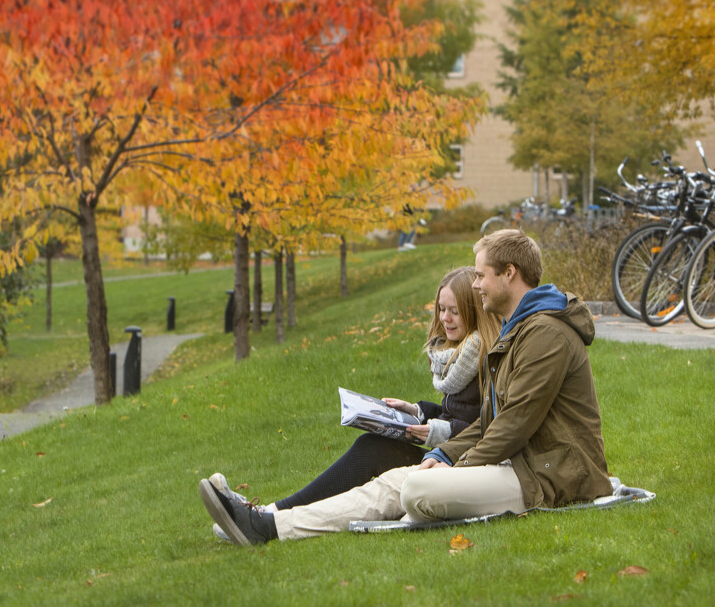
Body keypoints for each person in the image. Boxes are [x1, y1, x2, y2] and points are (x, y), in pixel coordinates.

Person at [200, 229, 612, 546]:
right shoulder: (518, 330)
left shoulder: (545, 334)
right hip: (521, 466)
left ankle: (266, 522)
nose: (477, 285)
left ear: (510, 274)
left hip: (552, 478)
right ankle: (269, 525)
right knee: (398, 479)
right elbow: (491, 421)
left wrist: (454, 466)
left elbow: (516, 423)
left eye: (483, 275)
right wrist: (442, 452)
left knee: (415, 487)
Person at [209, 266, 499, 528]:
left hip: (461, 465)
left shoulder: (484, 358)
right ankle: (268, 513)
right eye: (440, 309)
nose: (444, 319)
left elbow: (484, 425)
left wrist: (436, 431)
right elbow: (459, 411)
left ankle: (268, 516)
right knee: (372, 444)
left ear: (473, 313)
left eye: (455, 312)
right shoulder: (457, 355)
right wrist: (416, 411)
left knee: (370, 449)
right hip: (447, 455)